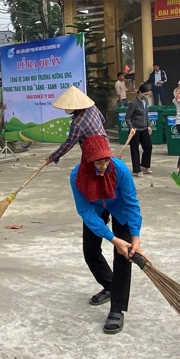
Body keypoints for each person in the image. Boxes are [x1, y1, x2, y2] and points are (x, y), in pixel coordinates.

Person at [69, 135, 142, 335]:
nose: (103, 166)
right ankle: (110, 285)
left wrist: (134, 238)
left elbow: (131, 203)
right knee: (90, 252)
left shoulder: (119, 170)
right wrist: (112, 239)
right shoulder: (78, 176)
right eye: (98, 162)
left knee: (123, 255)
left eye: (105, 161)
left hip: (119, 208)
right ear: (87, 161)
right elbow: (85, 212)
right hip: (95, 208)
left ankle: (117, 309)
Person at [44, 86, 106, 165]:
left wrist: (52, 157)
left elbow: (69, 143)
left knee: (86, 175)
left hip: (93, 153)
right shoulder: (92, 107)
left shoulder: (77, 124)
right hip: (105, 146)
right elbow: (102, 120)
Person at [125, 83, 153, 177]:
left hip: (144, 128)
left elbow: (146, 114)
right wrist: (131, 128)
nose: (146, 96)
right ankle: (137, 170)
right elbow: (127, 117)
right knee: (135, 149)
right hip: (135, 129)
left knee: (148, 146)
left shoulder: (145, 101)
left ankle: (144, 165)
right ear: (139, 92)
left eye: (147, 94)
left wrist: (148, 125)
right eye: (145, 94)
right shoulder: (133, 103)